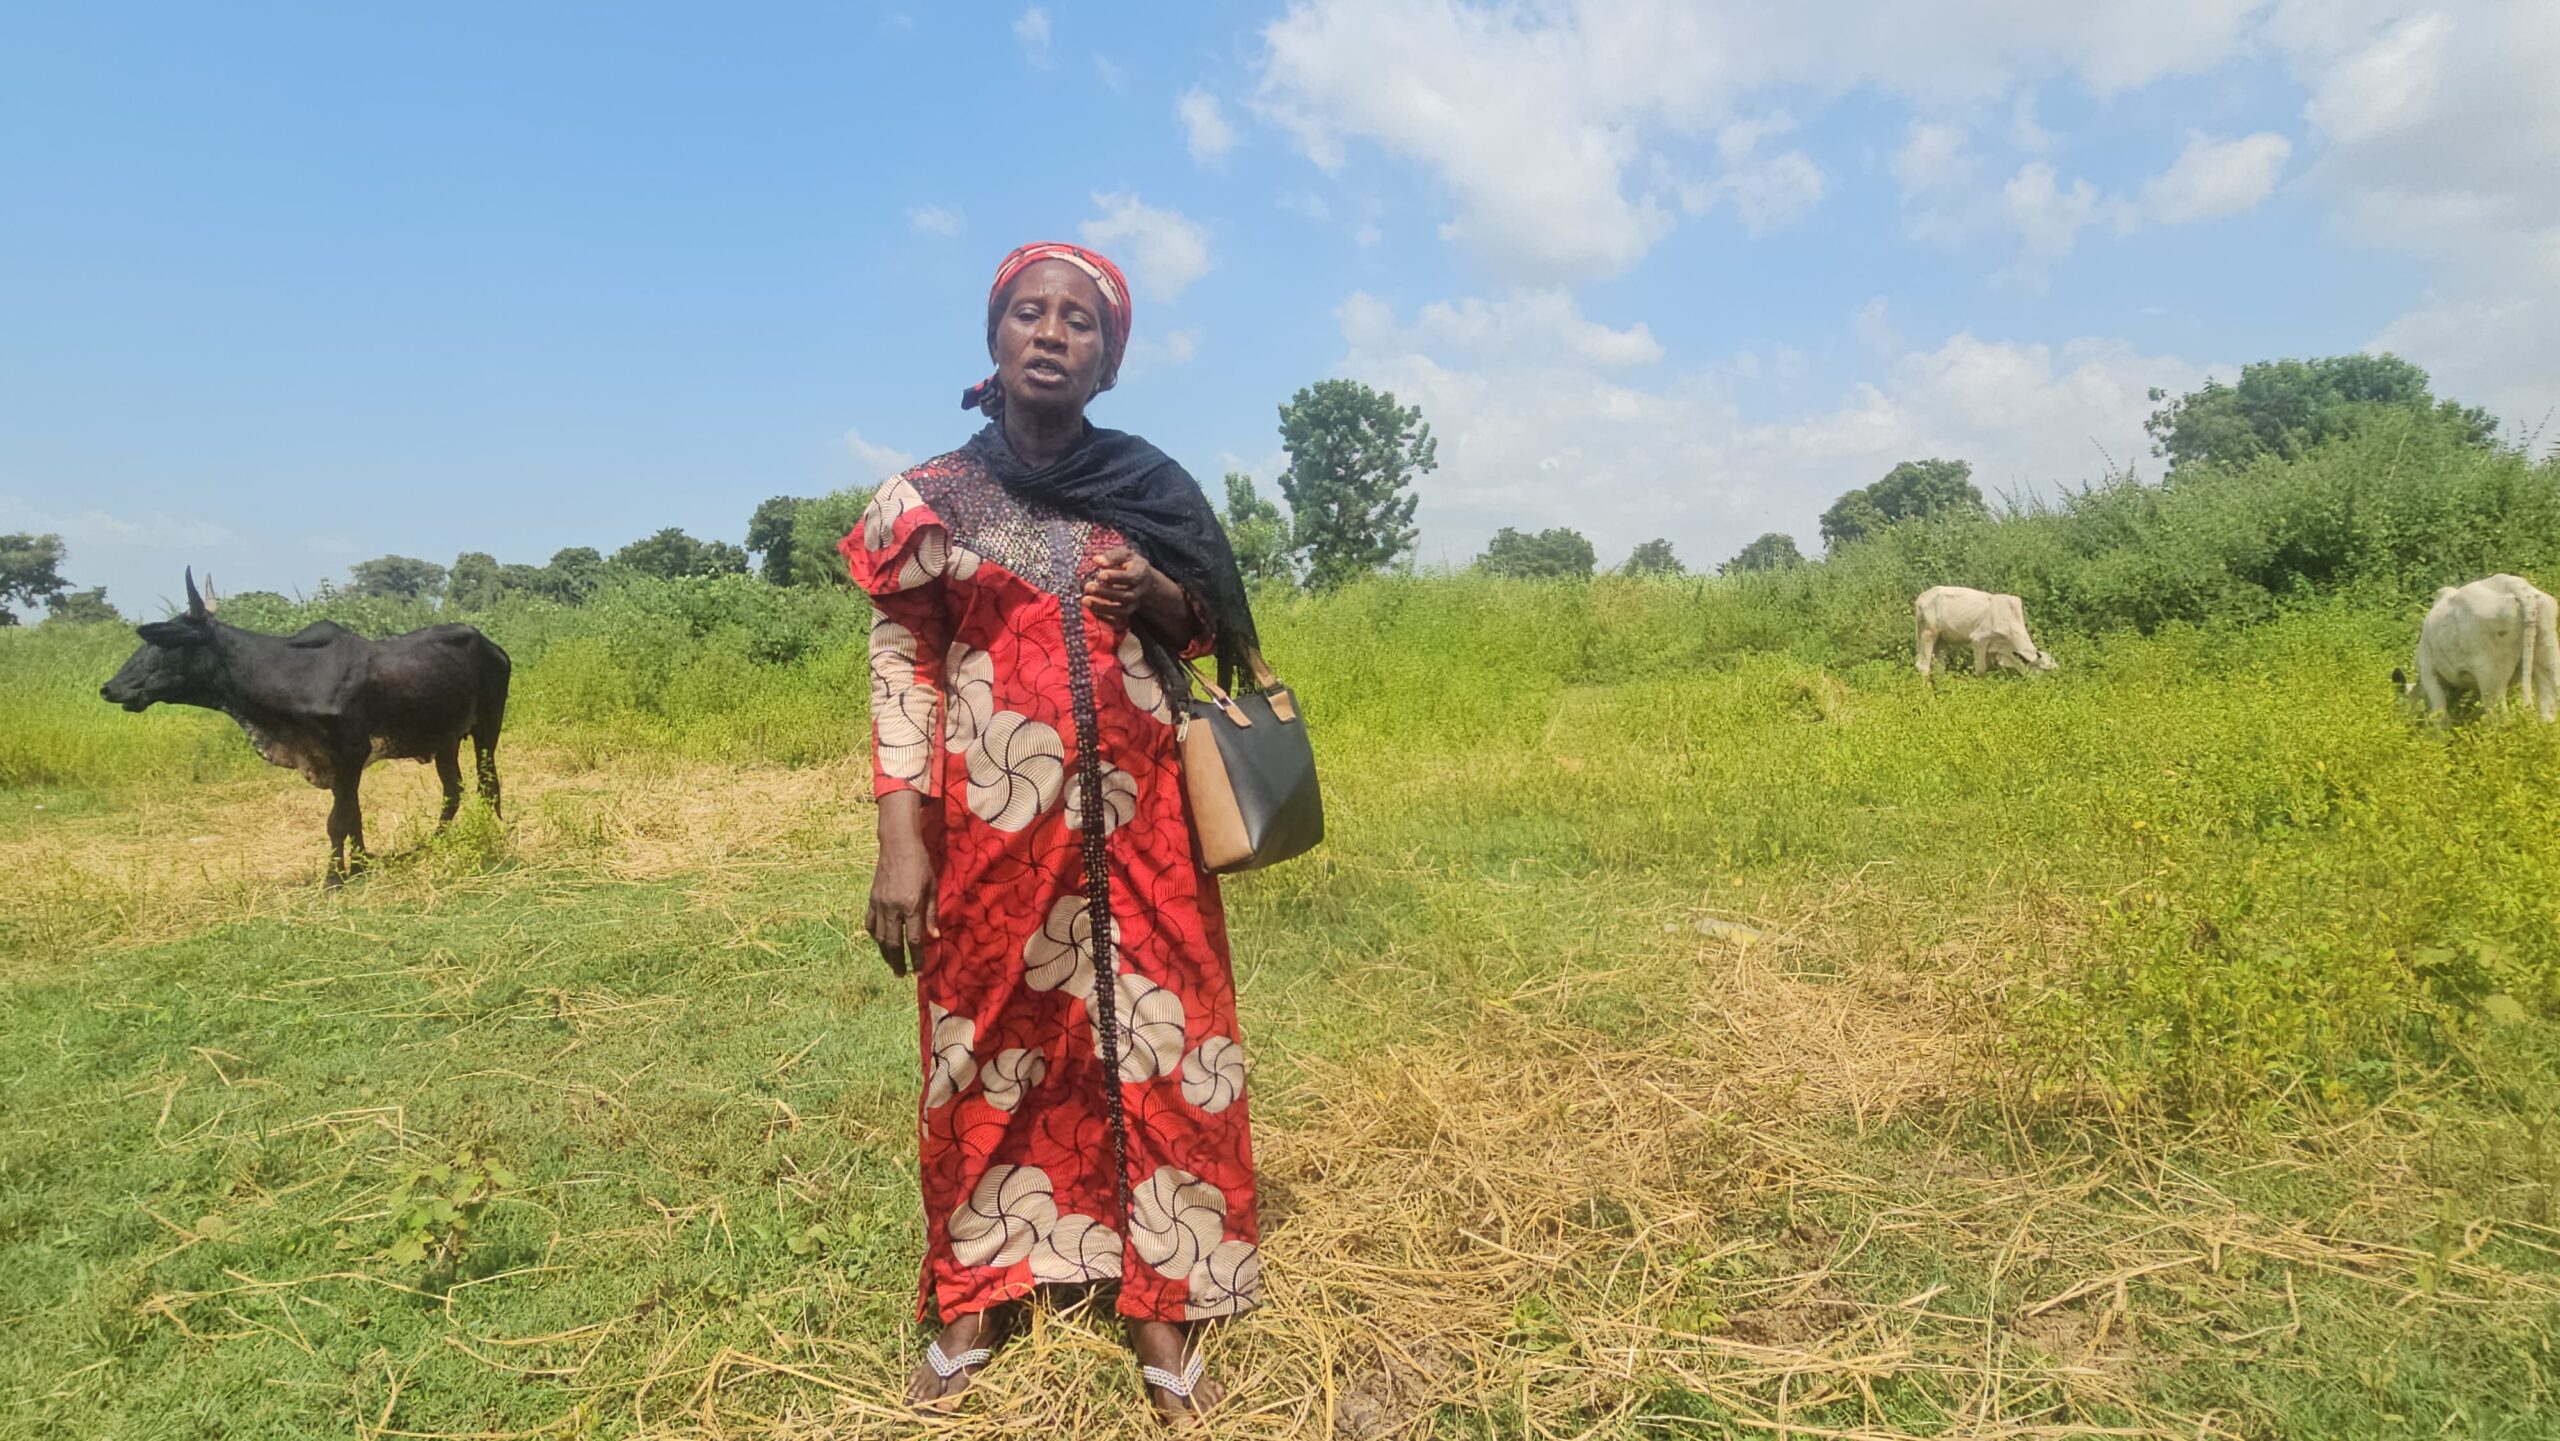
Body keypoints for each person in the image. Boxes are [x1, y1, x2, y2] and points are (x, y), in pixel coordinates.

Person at [842, 242, 1263, 1424]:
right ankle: (978, 1287)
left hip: (1146, 831)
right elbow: (901, 665)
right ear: (992, 339)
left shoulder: (1148, 487)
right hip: (988, 829)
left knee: (1157, 1041)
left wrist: (1162, 598)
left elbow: (1202, 634)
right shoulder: (925, 502)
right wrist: (899, 837)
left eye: (1081, 321)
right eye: (1029, 312)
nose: (1051, 332)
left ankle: (1161, 1295)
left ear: (1110, 361)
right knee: (985, 1042)